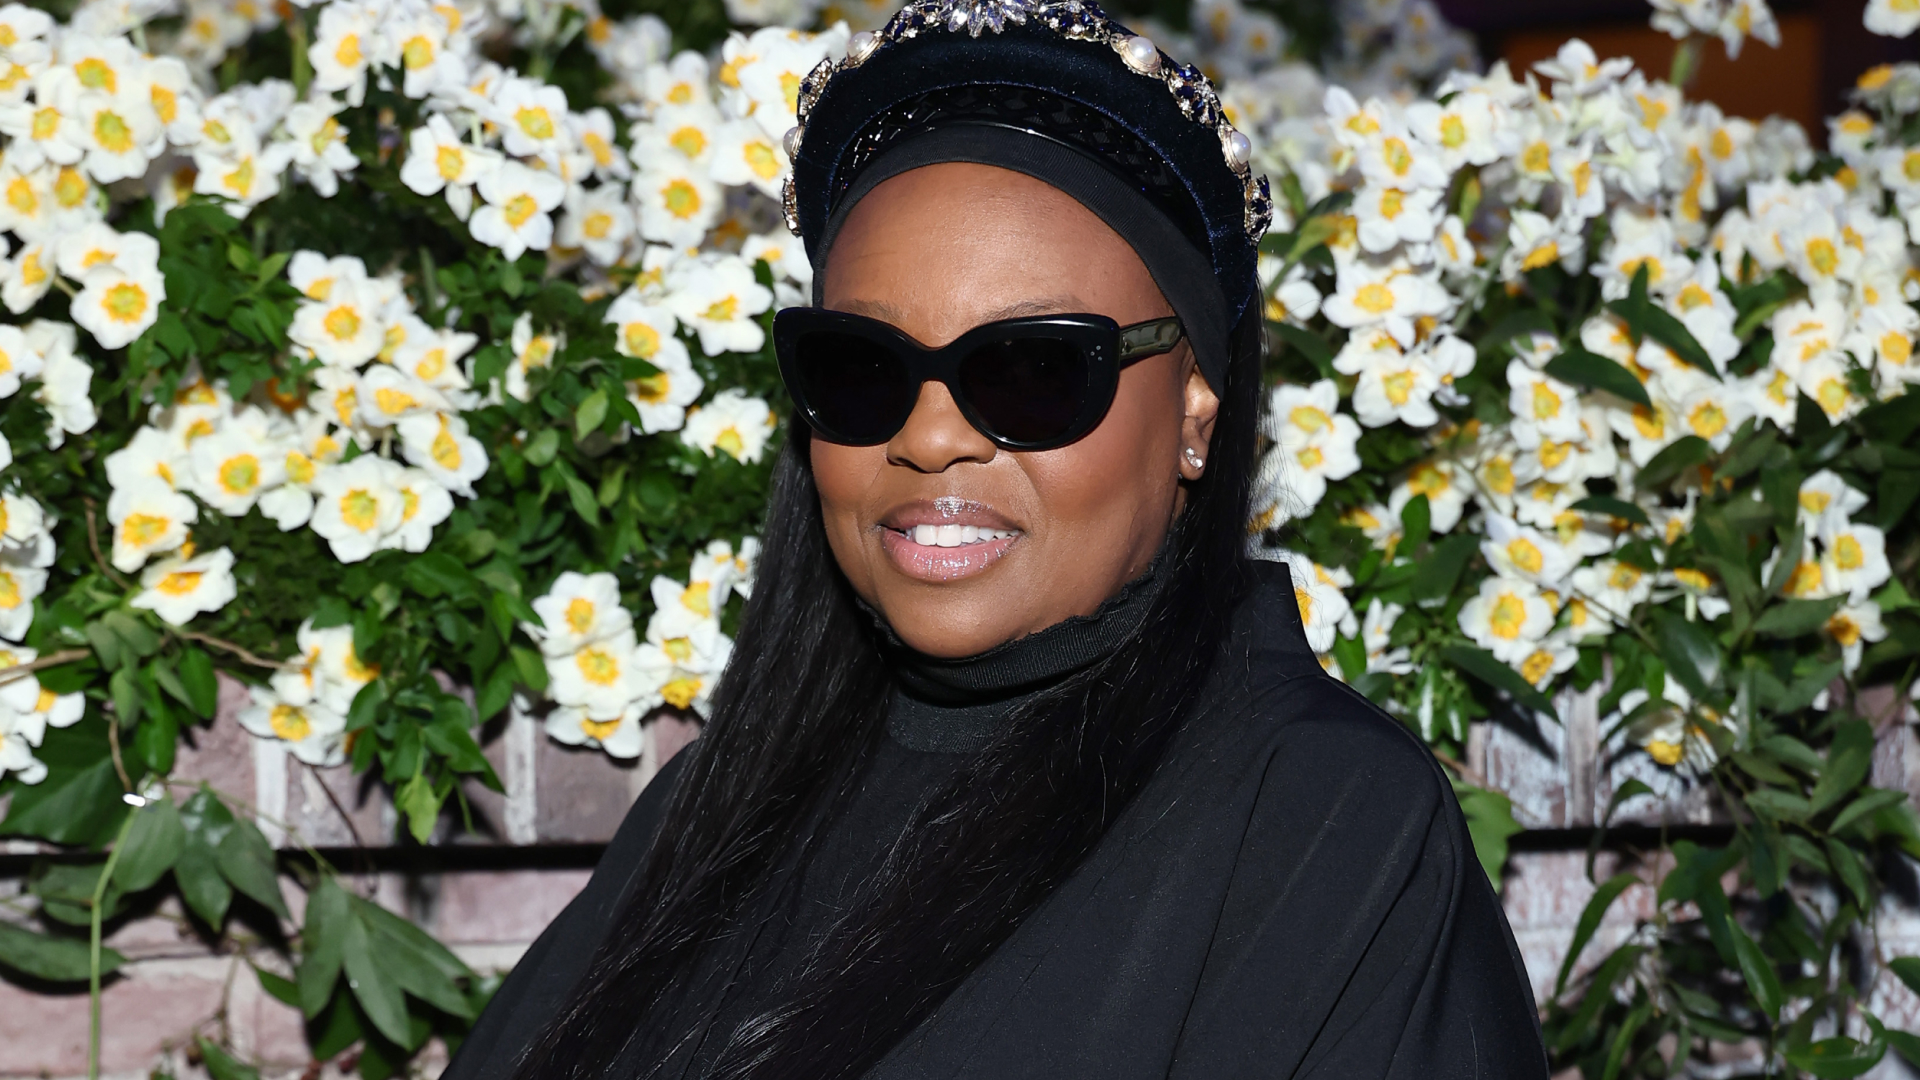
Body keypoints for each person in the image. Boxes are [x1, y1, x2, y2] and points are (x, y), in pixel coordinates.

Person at [444, 3, 1548, 1077]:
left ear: (1197, 413)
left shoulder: (1320, 821)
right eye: (861, 369)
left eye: (1031, 369)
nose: (929, 438)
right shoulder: (717, 809)